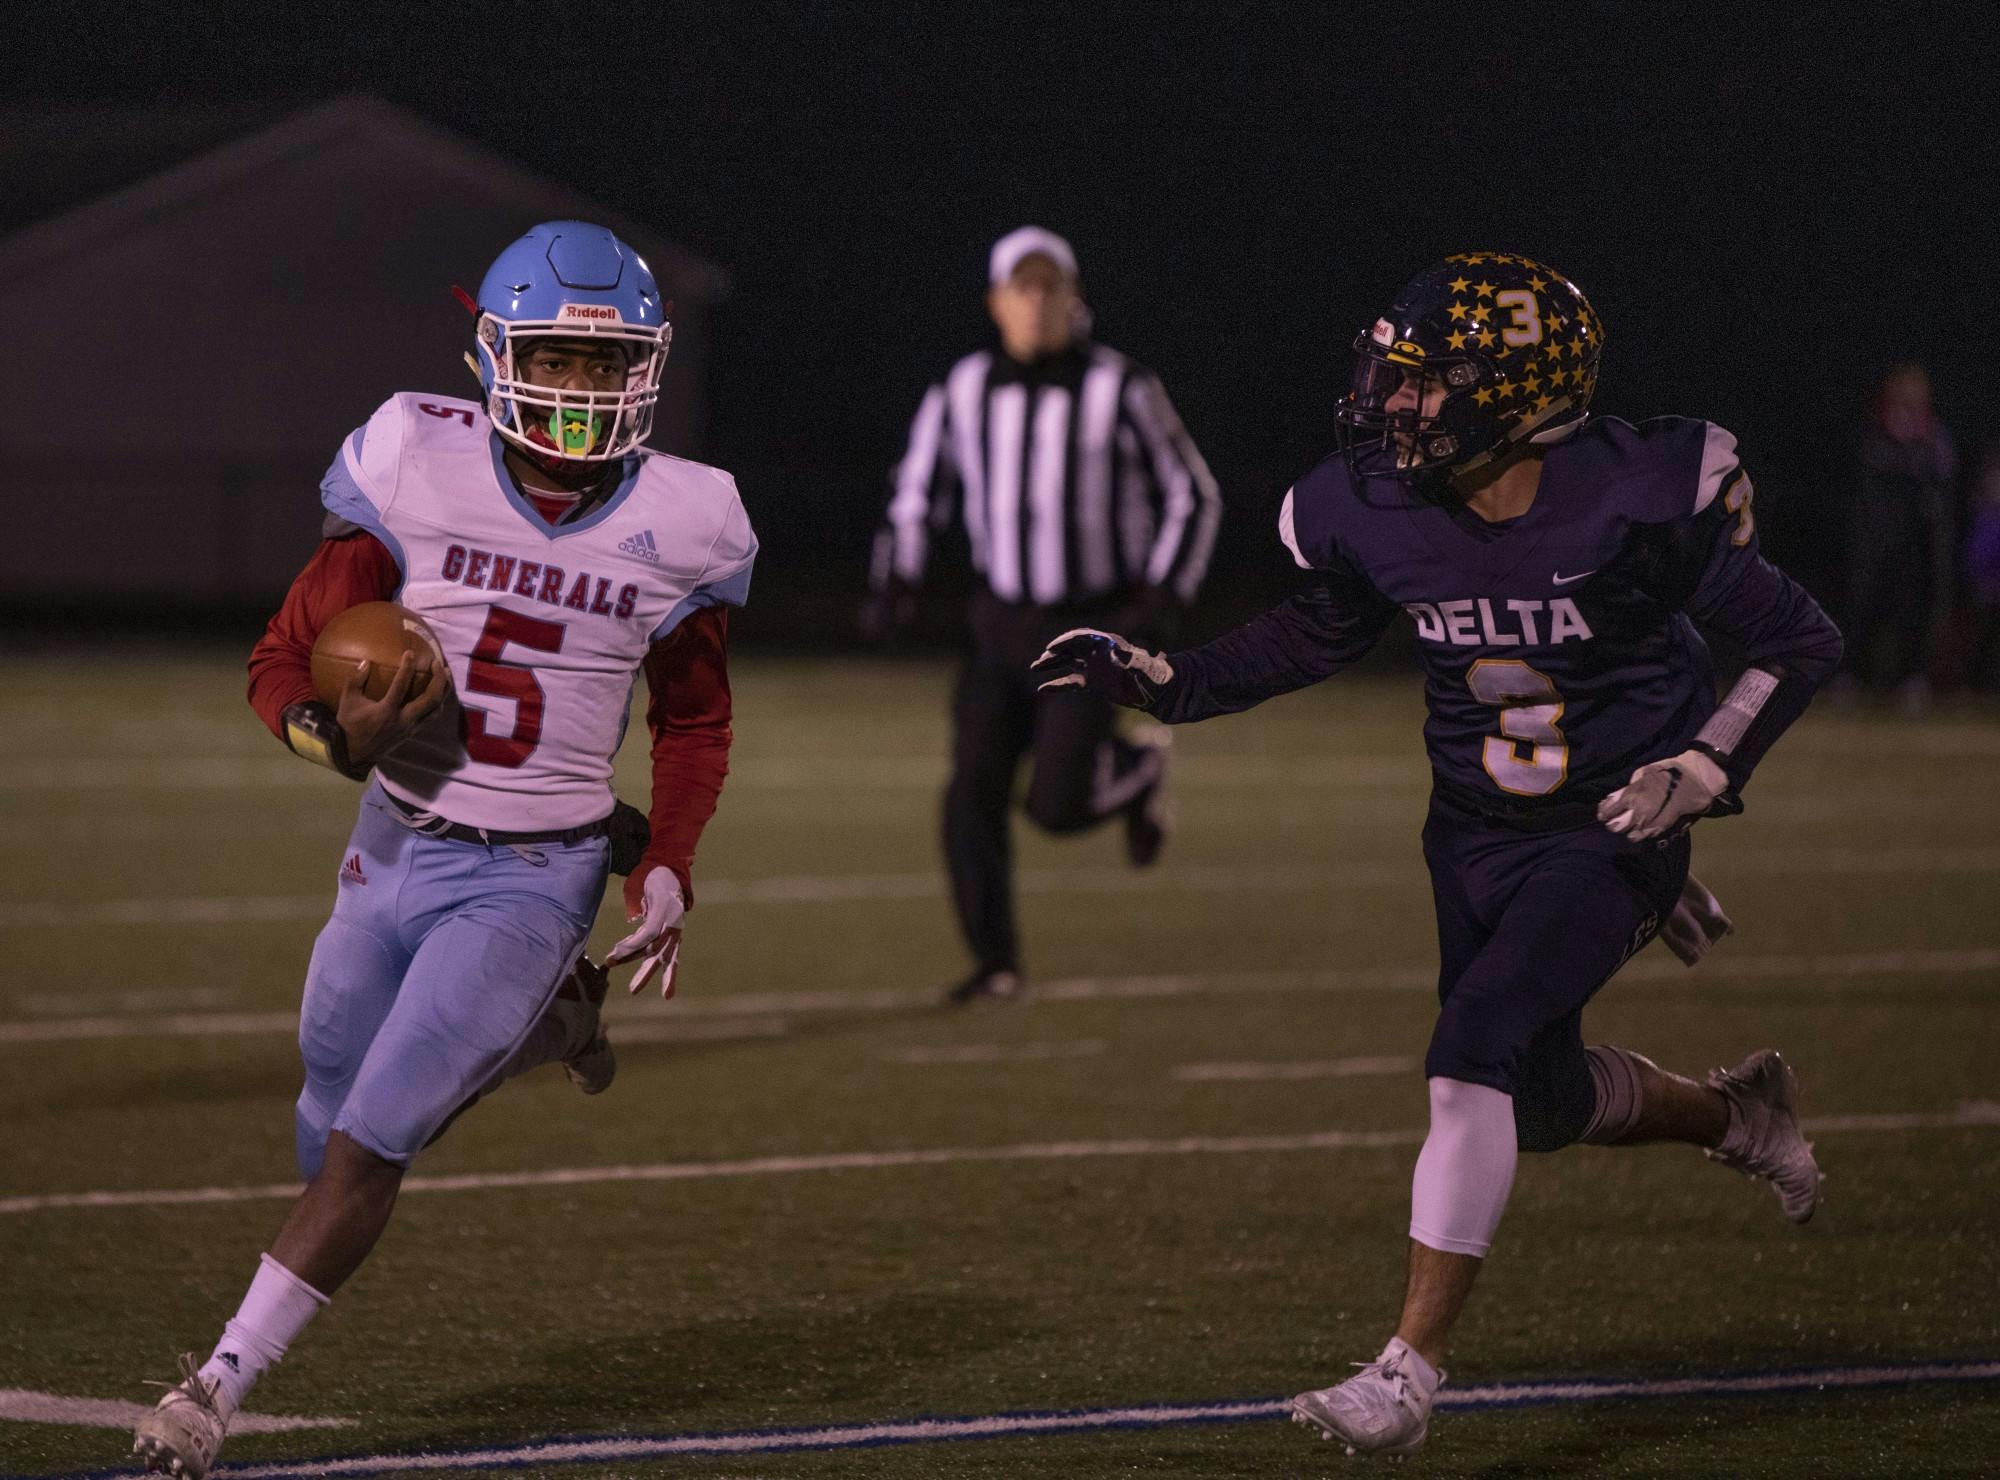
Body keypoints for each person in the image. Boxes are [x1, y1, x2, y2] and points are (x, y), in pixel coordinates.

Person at [1034, 253, 1841, 1457]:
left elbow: (1799, 637)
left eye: (1419, 384)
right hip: (1469, 831)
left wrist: (1703, 771)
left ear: (1515, 392)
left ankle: (1405, 1373)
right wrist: (1169, 682)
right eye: (1387, 379)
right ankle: (1734, 1112)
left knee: (1467, 1055)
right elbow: (1310, 636)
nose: (1388, 405)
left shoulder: (1638, 492)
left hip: (1612, 828)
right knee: (1541, 1096)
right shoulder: (1372, 508)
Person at [131, 221, 756, 1479]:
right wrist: (332, 740)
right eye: (557, 361)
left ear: (643, 368)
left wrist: (667, 858)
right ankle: (563, 1026)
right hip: (393, 837)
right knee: (324, 1100)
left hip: (536, 870)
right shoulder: (418, 459)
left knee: (374, 1139)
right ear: (494, 351)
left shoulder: (689, 518)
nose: (580, 393)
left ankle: (213, 1386)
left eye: (604, 364)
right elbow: (278, 663)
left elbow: (692, 717)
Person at [865, 226, 1222, 1004]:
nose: (1035, 304)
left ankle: (1136, 769)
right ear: (996, 302)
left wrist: (1159, 602)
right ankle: (996, 963)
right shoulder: (961, 388)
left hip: (1090, 624)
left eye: (1048, 287)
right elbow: (918, 494)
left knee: (1055, 806)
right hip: (999, 624)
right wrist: (896, 582)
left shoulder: (1123, 387)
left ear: (1073, 297)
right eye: (1020, 289)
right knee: (970, 795)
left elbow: (1194, 495)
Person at [1846, 363, 1956, 708]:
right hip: (1876, 540)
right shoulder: (1875, 432)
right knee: (1865, 608)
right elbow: (1863, 482)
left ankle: (1912, 679)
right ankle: (1852, 676)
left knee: (1914, 611)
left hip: (1917, 544)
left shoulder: (1933, 437)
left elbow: (1944, 482)